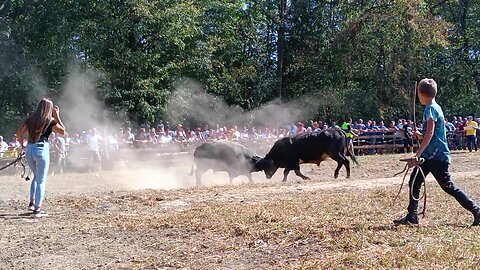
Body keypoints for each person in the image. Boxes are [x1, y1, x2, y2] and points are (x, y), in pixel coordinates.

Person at [394, 78, 480, 226]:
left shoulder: (430, 109)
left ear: (420, 94)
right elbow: (430, 134)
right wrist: (420, 136)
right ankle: (412, 216)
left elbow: (430, 133)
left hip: (437, 156)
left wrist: (417, 153)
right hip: (429, 155)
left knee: (448, 186)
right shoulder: (435, 107)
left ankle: (477, 210)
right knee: (414, 181)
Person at [16, 98, 66, 218]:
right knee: (41, 180)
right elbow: (63, 131)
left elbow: (19, 134)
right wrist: (57, 115)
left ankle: (32, 203)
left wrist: (23, 145)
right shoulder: (50, 120)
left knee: (36, 176)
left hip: (29, 148)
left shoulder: (30, 119)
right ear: (49, 108)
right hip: (41, 149)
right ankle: (37, 210)